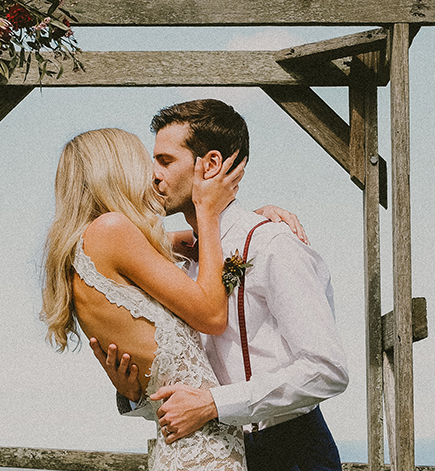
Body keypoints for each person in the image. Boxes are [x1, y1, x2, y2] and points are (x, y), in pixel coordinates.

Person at [91, 99, 350, 471]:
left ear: (210, 165)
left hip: (291, 453)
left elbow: (328, 370)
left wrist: (214, 404)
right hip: (213, 455)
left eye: (165, 161)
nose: (153, 175)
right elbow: (187, 386)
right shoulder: (176, 260)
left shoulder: (272, 245)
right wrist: (133, 394)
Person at [41, 127, 247, 470]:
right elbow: (212, 315)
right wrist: (208, 211)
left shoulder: (85, 250)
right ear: (117, 170)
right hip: (202, 453)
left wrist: (254, 219)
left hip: (180, 448)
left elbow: (186, 244)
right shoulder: (111, 230)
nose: (152, 173)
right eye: (142, 161)